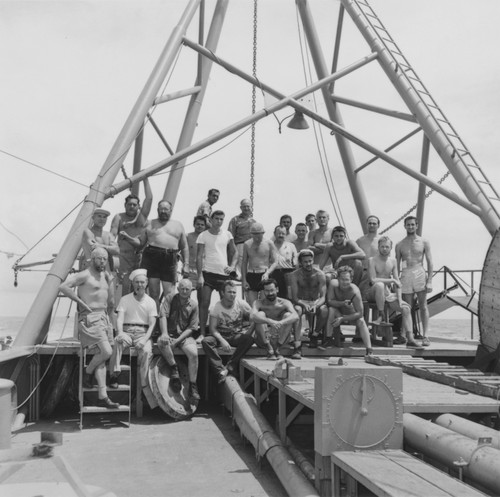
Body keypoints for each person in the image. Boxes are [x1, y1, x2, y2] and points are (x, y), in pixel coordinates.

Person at [59, 247, 119, 408]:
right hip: (90, 318)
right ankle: (87, 372)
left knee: (103, 355)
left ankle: (102, 395)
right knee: (106, 351)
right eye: (99, 258)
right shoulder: (84, 274)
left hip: (104, 317)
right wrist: (80, 302)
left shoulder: (105, 275)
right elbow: (63, 287)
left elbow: (111, 300)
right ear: (92, 259)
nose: (102, 261)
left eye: (105, 259)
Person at [127, 200, 189, 309]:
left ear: (171, 210)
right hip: (152, 257)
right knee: (153, 293)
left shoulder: (178, 225)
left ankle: (168, 321)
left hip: (170, 258)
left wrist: (186, 264)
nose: (163, 211)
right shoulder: (149, 223)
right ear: (158, 210)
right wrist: (128, 238)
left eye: (166, 209)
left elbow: (184, 247)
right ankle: (155, 321)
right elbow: (140, 243)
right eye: (161, 209)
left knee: (169, 294)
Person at [108, 269, 157, 405]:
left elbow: (153, 324)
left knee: (147, 351)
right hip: (127, 331)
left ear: (146, 283)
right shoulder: (125, 299)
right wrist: (119, 333)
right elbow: (119, 319)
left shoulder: (151, 302)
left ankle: (144, 384)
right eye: (137, 282)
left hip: (143, 332)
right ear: (133, 284)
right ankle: (113, 375)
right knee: (117, 342)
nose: (139, 285)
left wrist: (145, 339)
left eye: (142, 282)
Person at [366, 237, 419, 347]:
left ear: (390, 248)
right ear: (378, 247)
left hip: (386, 294)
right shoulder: (372, 260)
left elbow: (397, 282)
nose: (384, 249)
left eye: (387, 247)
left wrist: (399, 300)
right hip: (372, 292)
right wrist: (391, 280)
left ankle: (410, 338)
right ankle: (381, 315)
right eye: (382, 246)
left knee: (406, 308)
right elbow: (373, 280)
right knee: (380, 285)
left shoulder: (393, 261)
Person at [202, 280, 254, 383]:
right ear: (222, 293)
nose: (232, 295)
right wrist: (222, 340)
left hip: (235, 335)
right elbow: (212, 329)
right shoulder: (216, 307)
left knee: (248, 339)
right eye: (229, 292)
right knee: (206, 341)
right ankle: (220, 369)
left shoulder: (241, 303)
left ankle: (230, 366)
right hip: (220, 335)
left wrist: (249, 331)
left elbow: (254, 316)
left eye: (234, 292)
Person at [196, 210, 238, 339]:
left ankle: (226, 332)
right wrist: (200, 276)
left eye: (221, 219)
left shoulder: (227, 234)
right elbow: (199, 257)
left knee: (227, 303)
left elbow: (235, 253)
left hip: (223, 275)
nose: (219, 222)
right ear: (211, 220)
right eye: (216, 219)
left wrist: (232, 267)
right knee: (204, 303)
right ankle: (203, 333)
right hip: (208, 274)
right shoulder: (203, 235)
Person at [158, 278, 200, 403]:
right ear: (178, 288)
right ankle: (174, 367)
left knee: (193, 354)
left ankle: (193, 386)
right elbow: (163, 316)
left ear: (191, 290)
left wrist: (177, 341)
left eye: (187, 289)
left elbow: (192, 328)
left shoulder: (194, 305)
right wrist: (165, 333)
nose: (184, 291)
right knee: (161, 342)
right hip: (170, 333)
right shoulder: (170, 298)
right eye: (182, 288)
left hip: (184, 336)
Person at [110, 179, 152, 295]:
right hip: (123, 259)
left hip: (139, 259)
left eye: (134, 204)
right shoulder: (118, 217)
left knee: (140, 289)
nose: (132, 207)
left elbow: (149, 199)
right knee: (124, 288)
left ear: (139, 206)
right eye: (129, 204)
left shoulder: (142, 220)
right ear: (125, 205)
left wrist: (145, 179)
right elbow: (112, 236)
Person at [395, 216, 433, 346]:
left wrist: (430, 281)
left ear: (416, 226)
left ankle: (426, 335)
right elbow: (396, 264)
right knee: (407, 307)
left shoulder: (424, 242)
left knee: (423, 306)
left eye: (413, 225)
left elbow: (430, 262)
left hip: (419, 272)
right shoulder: (399, 244)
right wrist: (397, 280)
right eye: (408, 225)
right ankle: (404, 335)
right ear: (404, 226)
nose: (410, 227)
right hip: (406, 274)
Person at [325, 265, 372, 355]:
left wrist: (343, 318)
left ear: (351, 279)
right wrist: (342, 303)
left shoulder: (355, 291)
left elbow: (360, 313)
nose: (344, 282)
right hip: (338, 312)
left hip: (351, 316)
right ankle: (328, 339)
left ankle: (369, 348)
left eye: (347, 279)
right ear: (338, 278)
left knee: (361, 321)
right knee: (331, 309)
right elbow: (330, 301)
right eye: (342, 279)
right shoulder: (333, 284)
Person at [289, 249, 328, 357]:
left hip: (315, 300)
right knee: (297, 310)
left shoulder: (320, 274)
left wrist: (316, 305)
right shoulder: (295, 275)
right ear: (301, 263)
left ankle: (315, 335)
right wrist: (303, 304)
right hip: (301, 301)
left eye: (310, 261)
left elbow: (323, 297)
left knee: (324, 310)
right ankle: (297, 345)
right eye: (305, 262)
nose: (308, 264)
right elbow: (294, 297)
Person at [252, 279, 299, 360]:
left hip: (281, 338)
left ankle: (278, 348)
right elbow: (252, 316)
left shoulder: (285, 302)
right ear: (263, 291)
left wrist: (281, 322)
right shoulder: (258, 303)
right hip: (263, 340)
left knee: (289, 315)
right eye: (267, 291)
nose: (270, 293)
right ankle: (269, 348)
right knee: (259, 315)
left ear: (277, 289)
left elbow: (296, 316)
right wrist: (269, 321)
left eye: (272, 290)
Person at [241, 223, 277, 306]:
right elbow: (244, 262)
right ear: (251, 234)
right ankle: (254, 319)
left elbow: (275, 262)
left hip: (264, 274)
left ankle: (264, 318)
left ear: (263, 233)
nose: (257, 237)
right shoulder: (247, 244)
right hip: (251, 275)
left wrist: (267, 273)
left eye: (259, 234)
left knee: (265, 303)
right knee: (252, 304)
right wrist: (244, 280)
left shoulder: (269, 243)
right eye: (254, 234)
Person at [81, 208, 119, 274]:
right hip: (91, 271)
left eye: (104, 217)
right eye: (99, 216)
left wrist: (101, 245)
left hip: (106, 271)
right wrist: (109, 248)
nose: (102, 219)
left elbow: (117, 250)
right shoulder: (88, 232)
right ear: (93, 217)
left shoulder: (108, 235)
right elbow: (95, 249)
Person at [227, 198, 256, 277]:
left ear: (251, 207)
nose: (246, 208)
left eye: (248, 206)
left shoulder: (254, 222)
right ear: (241, 208)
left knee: (249, 269)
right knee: (239, 270)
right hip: (240, 246)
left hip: (251, 247)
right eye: (244, 206)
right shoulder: (235, 220)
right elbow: (230, 236)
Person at [272, 225, 297, 298]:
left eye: (283, 233)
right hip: (274, 273)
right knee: (276, 295)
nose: (281, 235)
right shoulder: (270, 246)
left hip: (288, 272)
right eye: (279, 233)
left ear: (286, 234)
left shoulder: (291, 246)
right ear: (274, 233)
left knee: (289, 295)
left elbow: (295, 260)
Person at [186, 215, 207, 303]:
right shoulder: (187, 236)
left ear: (205, 226)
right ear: (194, 224)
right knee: (185, 296)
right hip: (190, 271)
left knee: (202, 299)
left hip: (203, 271)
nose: (200, 226)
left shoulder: (208, 237)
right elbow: (180, 252)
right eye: (197, 224)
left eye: (202, 225)